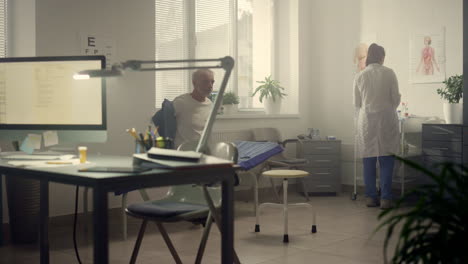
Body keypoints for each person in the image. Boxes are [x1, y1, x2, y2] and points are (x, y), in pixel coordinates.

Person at [353, 43, 401, 209]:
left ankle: (370, 197)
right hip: (387, 120)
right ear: (381, 57)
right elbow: (395, 99)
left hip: (367, 122)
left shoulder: (360, 76)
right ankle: (386, 199)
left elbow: (357, 103)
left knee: (369, 160)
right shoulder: (389, 73)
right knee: (387, 160)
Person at [173, 69, 214, 149]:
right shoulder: (180, 102)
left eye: (212, 82)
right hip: (183, 152)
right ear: (194, 83)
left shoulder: (210, 104)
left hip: (202, 151)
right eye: (205, 82)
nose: (210, 86)